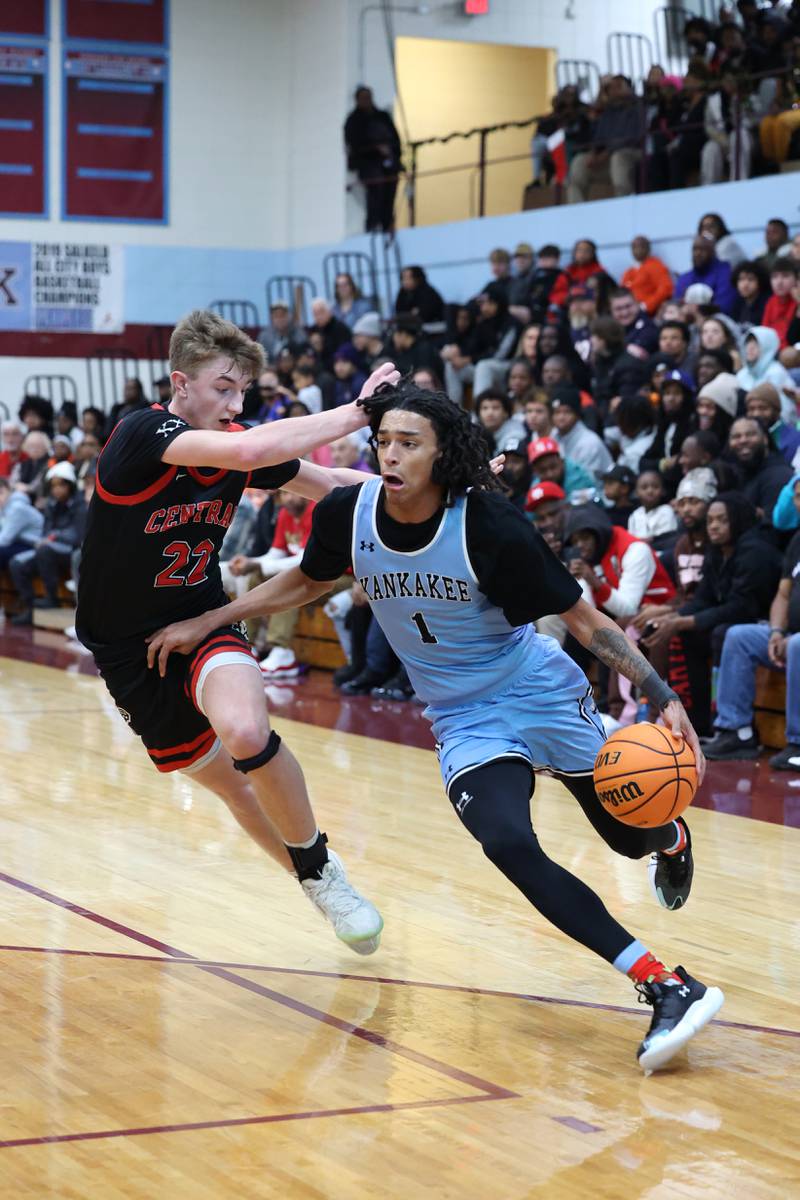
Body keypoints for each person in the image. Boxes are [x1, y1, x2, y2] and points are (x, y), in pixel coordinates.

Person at [147, 379, 722, 1074]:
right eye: (383, 440)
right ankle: (662, 982)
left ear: (441, 455)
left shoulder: (488, 524)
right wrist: (212, 618)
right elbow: (307, 580)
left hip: (534, 689)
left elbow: (583, 619)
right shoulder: (346, 513)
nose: (389, 455)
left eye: (408, 443)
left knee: (631, 836)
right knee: (508, 842)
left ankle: (670, 835)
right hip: (463, 717)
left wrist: (657, 692)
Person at [75, 309, 396, 955]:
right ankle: (312, 877)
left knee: (247, 731)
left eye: (243, 391)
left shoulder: (239, 441)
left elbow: (332, 484)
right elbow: (250, 450)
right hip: (127, 651)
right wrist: (358, 412)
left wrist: (434, 487)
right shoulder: (141, 433)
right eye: (223, 387)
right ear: (181, 383)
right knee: (230, 787)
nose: (234, 403)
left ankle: (321, 868)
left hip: (200, 620)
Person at [641, 493, 782, 735]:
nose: (713, 526)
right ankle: (697, 722)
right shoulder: (717, 551)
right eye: (710, 521)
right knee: (685, 635)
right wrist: (671, 619)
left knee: (718, 634)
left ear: (737, 520)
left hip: (759, 623)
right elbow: (702, 599)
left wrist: (683, 621)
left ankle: (730, 725)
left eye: (722, 520)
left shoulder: (755, 551)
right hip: (729, 622)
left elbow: (742, 607)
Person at [704, 478, 800, 766]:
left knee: (796, 646)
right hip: (791, 634)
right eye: (797, 496)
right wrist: (775, 632)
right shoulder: (797, 541)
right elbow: (783, 596)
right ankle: (738, 732)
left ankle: (797, 743)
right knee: (738, 636)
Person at [9, 462, 86, 623]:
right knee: (17, 564)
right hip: (50, 550)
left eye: (61, 485)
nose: (57, 489)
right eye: (54, 486)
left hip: (70, 552)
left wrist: (52, 538)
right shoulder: (51, 504)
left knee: (44, 551)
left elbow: (78, 536)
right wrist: (49, 539)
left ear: (70, 485)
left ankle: (52, 598)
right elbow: (45, 531)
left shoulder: (80, 505)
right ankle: (31, 611)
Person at [567, 75, 643, 204]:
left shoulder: (638, 107)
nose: (614, 90)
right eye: (610, 88)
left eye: (619, 86)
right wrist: (593, 153)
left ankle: (623, 204)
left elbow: (631, 138)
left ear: (629, 89)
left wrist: (606, 153)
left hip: (631, 155)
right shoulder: (608, 112)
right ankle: (577, 210)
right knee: (579, 162)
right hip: (607, 159)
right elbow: (598, 138)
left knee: (618, 157)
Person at [343, 85, 401, 232]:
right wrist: (376, 148)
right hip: (368, 164)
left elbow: (395, 139)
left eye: (368, 96)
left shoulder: (382, 116)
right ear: (357, 100)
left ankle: (387, 226)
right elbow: (354, 143)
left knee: (389, 194)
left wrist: (391, 153)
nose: (366, 100)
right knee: (376, 192)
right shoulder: (353, 120)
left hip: (389, 164)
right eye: (363, 97)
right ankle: (373, 227)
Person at [550, 384, 613, 479]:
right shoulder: (554, 434)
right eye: (557, 412)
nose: (561, 417)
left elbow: (588, 481)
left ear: (577, 415)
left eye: (567, 412)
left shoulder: (589, 442)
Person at [675, 236, 736, 314]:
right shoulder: (684, 278)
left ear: (713, 252)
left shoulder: (725, 273)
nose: (697, 253)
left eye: (702, 249)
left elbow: (724, 307)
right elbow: (677, 305)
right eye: (695, 249)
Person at [527, 436, 595, 502]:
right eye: (542, 470)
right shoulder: (536, 487)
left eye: (553, 467)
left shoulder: (579, 478)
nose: (550, 474)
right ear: (534, 471)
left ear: (562, 461)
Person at [621, 236, 674, 316]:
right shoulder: (628, 271)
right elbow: (622, 291)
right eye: (634, 247)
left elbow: (665, 289)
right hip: (629, 312)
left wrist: (645, 306)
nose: (637, 250)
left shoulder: (656, 266)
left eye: (641, 247)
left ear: (648, 249)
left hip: (649, 312)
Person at [0, 475, 43, 570]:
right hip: (18, 541)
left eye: (1, 493)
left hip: (34, 544)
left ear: (9, 490)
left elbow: (5, 539)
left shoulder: (17, 508)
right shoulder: (3, 507)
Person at [627, 469, 679, 545]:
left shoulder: (666, 511)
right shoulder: (635, 515)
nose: (650, 491)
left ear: (663, 491)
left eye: (655, 487)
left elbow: (665, 540)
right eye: (644, 487)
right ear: (636, 492)